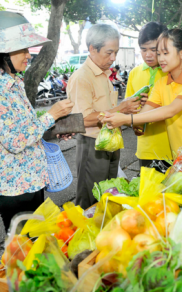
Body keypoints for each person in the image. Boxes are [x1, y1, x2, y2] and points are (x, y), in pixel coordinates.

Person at [0, 11, 74, 231]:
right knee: (22, 254)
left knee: (38, 248)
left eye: (28, 49)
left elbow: (26, 128)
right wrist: (52, 115)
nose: (28, 55)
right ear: (1, 53)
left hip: (30, 181)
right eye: (21, 49)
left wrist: (54, 127)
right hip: (14, 189)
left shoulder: (13, 81)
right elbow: (15, 141)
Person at [100, 28, 182, 153]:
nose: (160, 59)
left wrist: (127, 119)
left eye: (166, 53)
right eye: (159, 54)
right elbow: (143, 115)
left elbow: (171, 110)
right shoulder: (161, 83)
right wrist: (118, 116)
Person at [66, 24, 141, 209]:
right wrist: (122, 108)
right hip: (92, 145)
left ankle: (101, 233)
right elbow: (81, 120)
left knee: (107, 194)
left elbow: (107, 110)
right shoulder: (82, 77)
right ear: (92, 48)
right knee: (90, 198)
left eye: (115, 52)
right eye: (109, 52)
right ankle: (84, 234)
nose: (113, 58)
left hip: (110, 141)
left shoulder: (102, 74)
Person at [125, 22, 172, 172]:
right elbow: (128, 108)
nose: (148, 55)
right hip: (145, 148)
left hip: (171, 148)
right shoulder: (134, 73)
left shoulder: (172, 72)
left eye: (153, 49)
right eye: (143, 50)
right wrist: (134, 122)